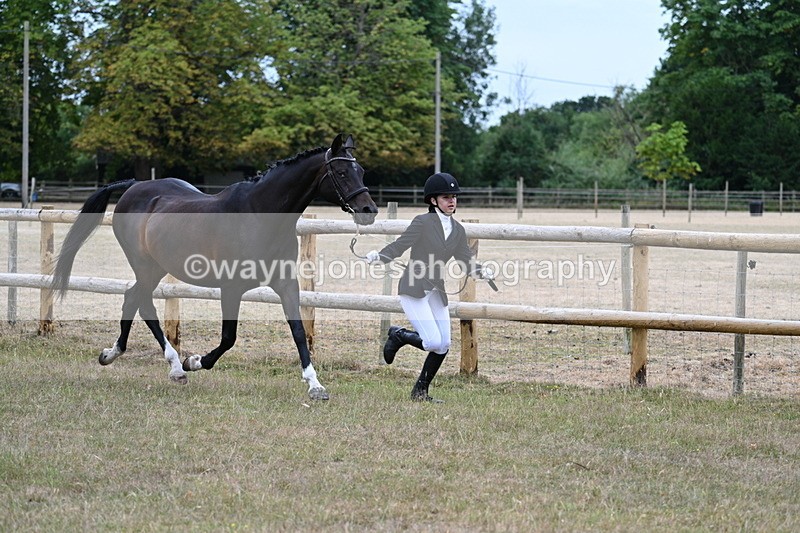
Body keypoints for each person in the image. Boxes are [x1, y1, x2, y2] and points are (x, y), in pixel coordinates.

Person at [365, 172, 494, 402]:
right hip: (413, 287)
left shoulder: (457, 229)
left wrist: (481, 271)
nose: (452, 201)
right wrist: (380, 257)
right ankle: (399, 335)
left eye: (454, 196)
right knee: (432, 341)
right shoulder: (422, 222)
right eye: (446, 197)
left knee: (443, 344)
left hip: (436, 289)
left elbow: (465, 259)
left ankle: (420, 391)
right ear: (433, 200)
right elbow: (401, 245)